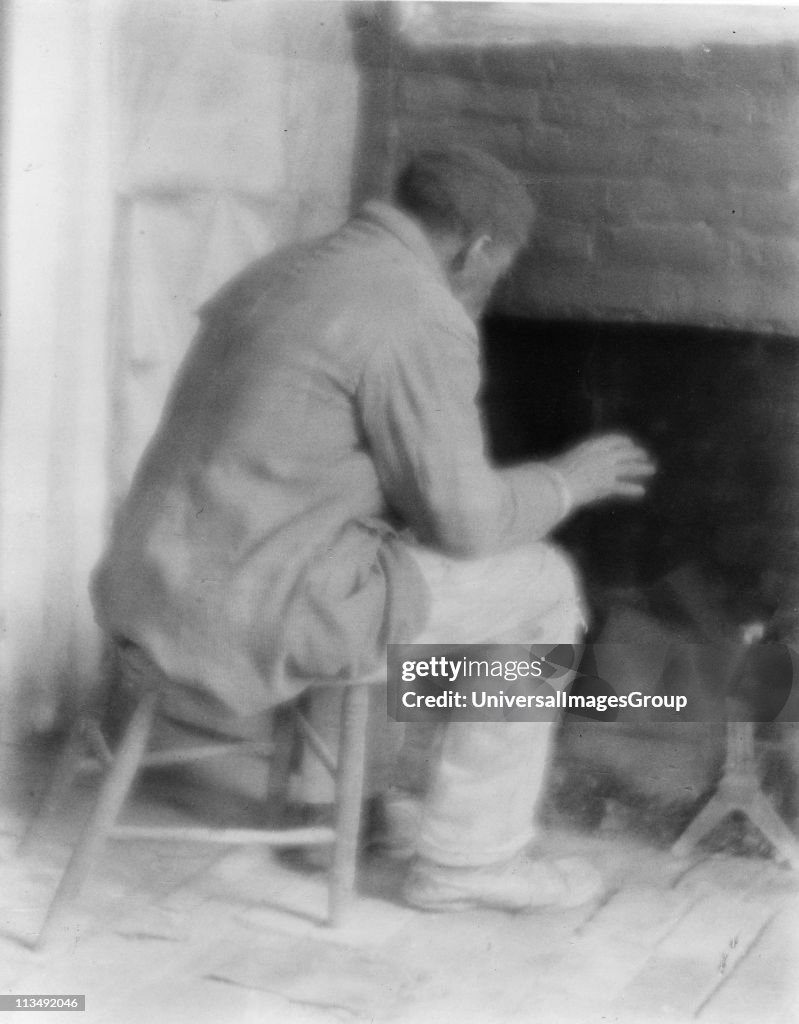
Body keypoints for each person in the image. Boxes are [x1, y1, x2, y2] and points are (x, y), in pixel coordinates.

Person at [92, 145, 655, 912]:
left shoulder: (286, 269)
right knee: (541, 584)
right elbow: (466, 524)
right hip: (263, 606)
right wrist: (566, 481)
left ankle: (328, 804)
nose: (494, 281)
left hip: (152, 584)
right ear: (480, 247)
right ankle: (468, 860)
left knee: (383, 561)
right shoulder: (415, 313)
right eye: (499, 266)